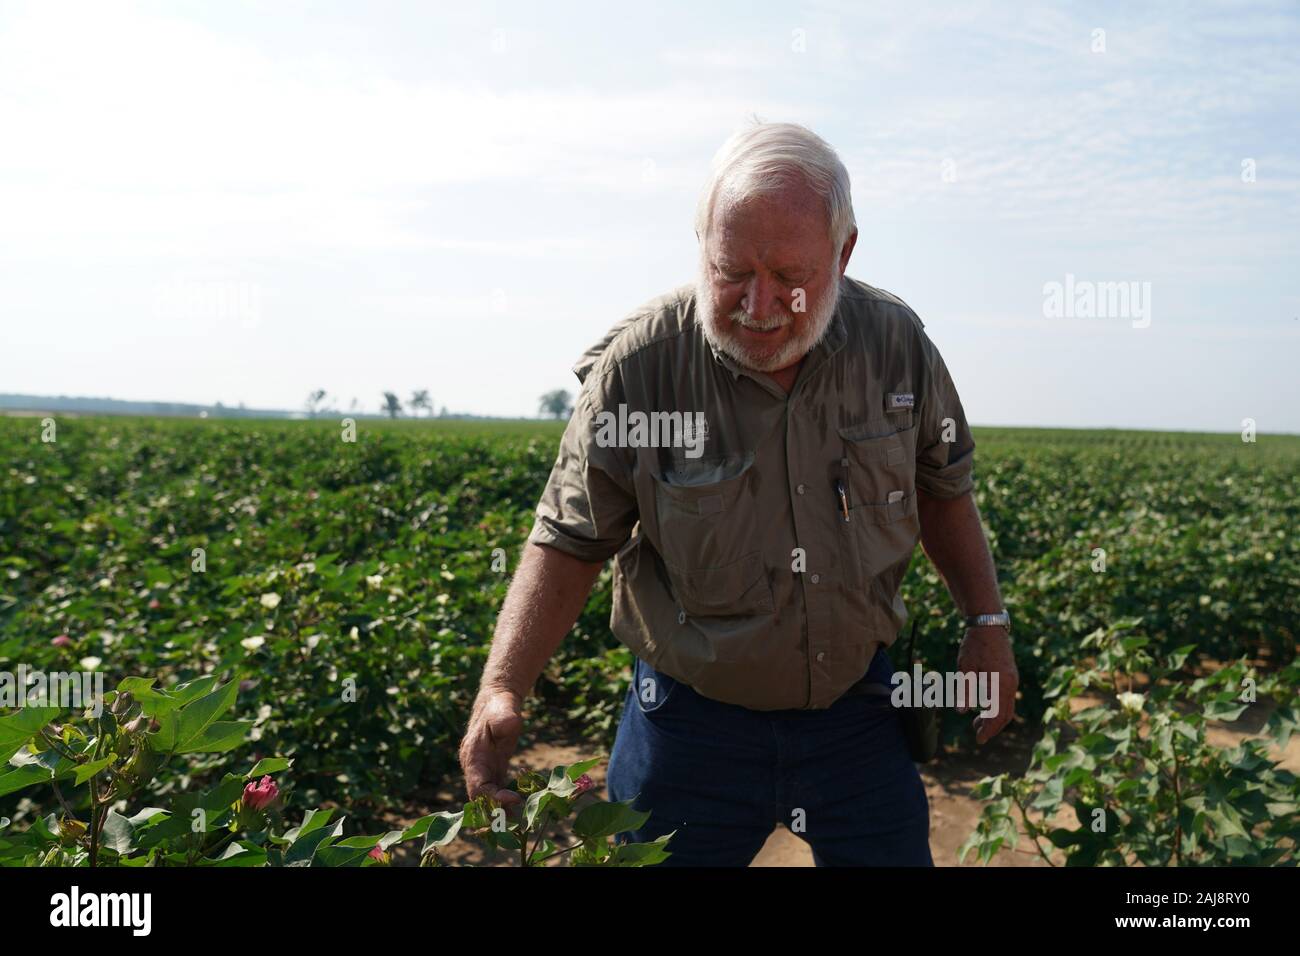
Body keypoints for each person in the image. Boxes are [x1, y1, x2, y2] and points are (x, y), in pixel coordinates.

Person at [458, 120, 1018, 866]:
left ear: (844, 254)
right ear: (701, 245)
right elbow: (570, 538)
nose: (758, 305)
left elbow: (943, 488)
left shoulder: (895, 349)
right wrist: (502, 689)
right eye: (731, 271)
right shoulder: (643, 371)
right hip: (690, 730)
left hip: (857, 714)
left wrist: (986, 621)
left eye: (790, 276)